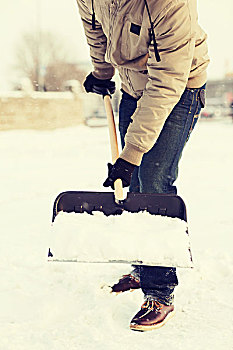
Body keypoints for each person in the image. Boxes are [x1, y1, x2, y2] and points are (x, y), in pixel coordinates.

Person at [76, 0, 209, 331]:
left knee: (152, 184)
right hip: (133, 87)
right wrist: (102, 73)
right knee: (133, 186)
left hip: (178, 89)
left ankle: (160, 292)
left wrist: (131, 153)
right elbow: (96, 31)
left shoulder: (171, 4)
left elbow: (167, 84)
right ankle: (144, 265)